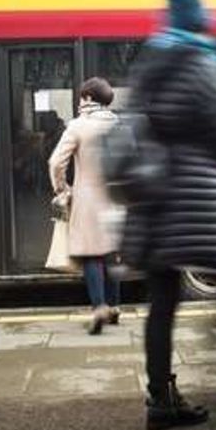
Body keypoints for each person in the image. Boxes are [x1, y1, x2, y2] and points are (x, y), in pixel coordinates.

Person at [122, 0, 216, 430]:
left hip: (153, 196)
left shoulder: (151, 59)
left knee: (162, 301)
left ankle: (161, 399)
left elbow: (131, 119)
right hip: (193, 190)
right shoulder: (205, 62)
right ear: (199, 19)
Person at [47, 77, 121, 334]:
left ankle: (99, 306)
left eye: (81, 96)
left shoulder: (78, 126)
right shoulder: (117, 123)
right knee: (111, 252)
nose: (80, 100)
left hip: (88, 198)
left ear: (89, 98)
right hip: (116, 198)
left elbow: (56, 162)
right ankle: (113, 307)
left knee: (91, 254)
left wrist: (62, 188)